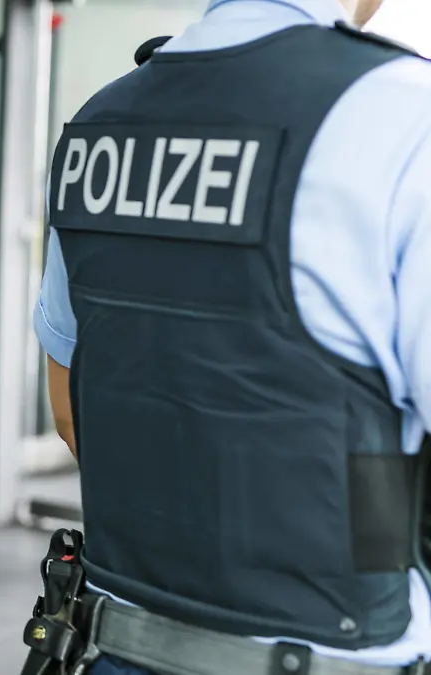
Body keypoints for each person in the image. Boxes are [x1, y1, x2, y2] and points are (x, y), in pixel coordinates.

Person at [28, 0, 429, 674]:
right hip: (335, 650)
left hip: (116, 641)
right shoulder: (404, 113)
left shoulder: (102, 120)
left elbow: (73, 412)